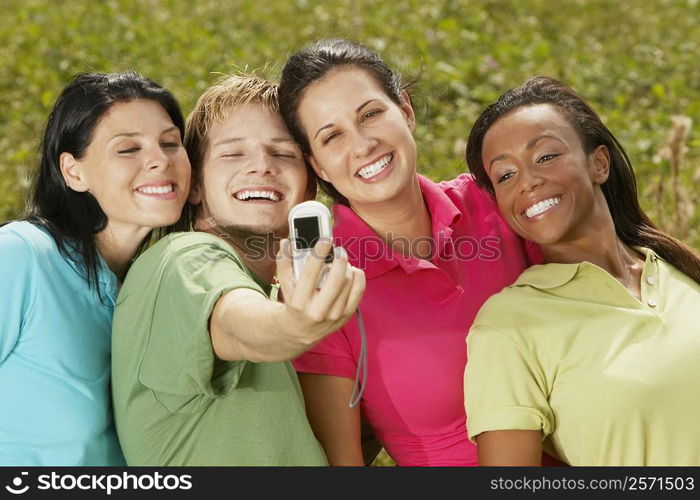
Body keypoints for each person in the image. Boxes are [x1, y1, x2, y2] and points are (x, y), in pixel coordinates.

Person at [278, 38, 542, 466]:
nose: (362, 144)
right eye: (332, 137)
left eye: (371, 114)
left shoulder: (494, 199)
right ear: (318, 166)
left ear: (405, 111)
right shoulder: (324, 284)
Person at [111, 74, 365, 466]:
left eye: (284, 154)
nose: (262, 166)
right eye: (232, 154)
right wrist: (294, 325)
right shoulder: (184, 259)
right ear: (194, 185)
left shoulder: (270, 290)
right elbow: (242, 325)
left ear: (309, 189)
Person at [463, 76, 700, 466]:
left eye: (545, 156)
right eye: (506, 175)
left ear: (599, 163)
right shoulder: (508, 326)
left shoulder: (680, 270)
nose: (528, 182)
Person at [0, 71, 191, 465]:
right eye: (127, 149)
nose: (160, 159)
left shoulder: (149, 290)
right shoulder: (21, 257)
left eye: (170, 143)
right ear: (74, 172)